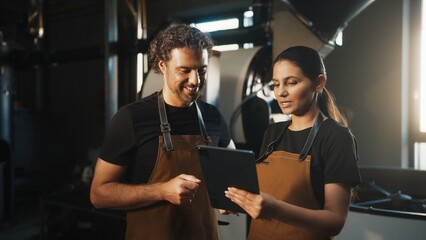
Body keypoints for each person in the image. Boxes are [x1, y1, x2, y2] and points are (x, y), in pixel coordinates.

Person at [90, 23, 234, 240]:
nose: (195, 81)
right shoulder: (131, 118)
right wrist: (162, 191)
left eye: (201, 70)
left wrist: (229, 195)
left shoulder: (213, 117)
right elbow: (99, 195)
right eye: (184, 70)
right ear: (162, 66)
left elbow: (233, 170)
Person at [225, 46, 361, 240]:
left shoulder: (336, 137)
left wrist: (276, 209)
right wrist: (237, 200)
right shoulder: (273, 133)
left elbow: (335, 221)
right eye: (276, 84)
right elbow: (263, 197)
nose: (281, 93)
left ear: (319, 83)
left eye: (291, 83)